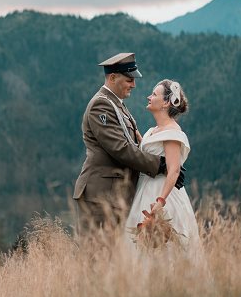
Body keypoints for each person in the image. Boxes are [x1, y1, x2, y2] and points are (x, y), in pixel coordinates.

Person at [73, 53, 183, 233]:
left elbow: (135, 143)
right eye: (129, 79)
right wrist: (160, 164)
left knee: (112, 255)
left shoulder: (117, 105)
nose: (134, 84)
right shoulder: (101, 106)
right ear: (113, 77)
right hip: (100, 195)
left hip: (114, 194)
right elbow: (120, 148)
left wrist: (169, 164)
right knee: (96, 255)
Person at [123, 79, 202, 259]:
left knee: (164, 249)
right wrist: (137, 136)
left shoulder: (173, 133)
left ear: (166, 103)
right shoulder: (153, 131)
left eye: (154, 94)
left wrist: (160, 201)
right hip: (145, 189)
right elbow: (151, 152)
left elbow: (173, 170)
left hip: (162, 194)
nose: (149, 97)